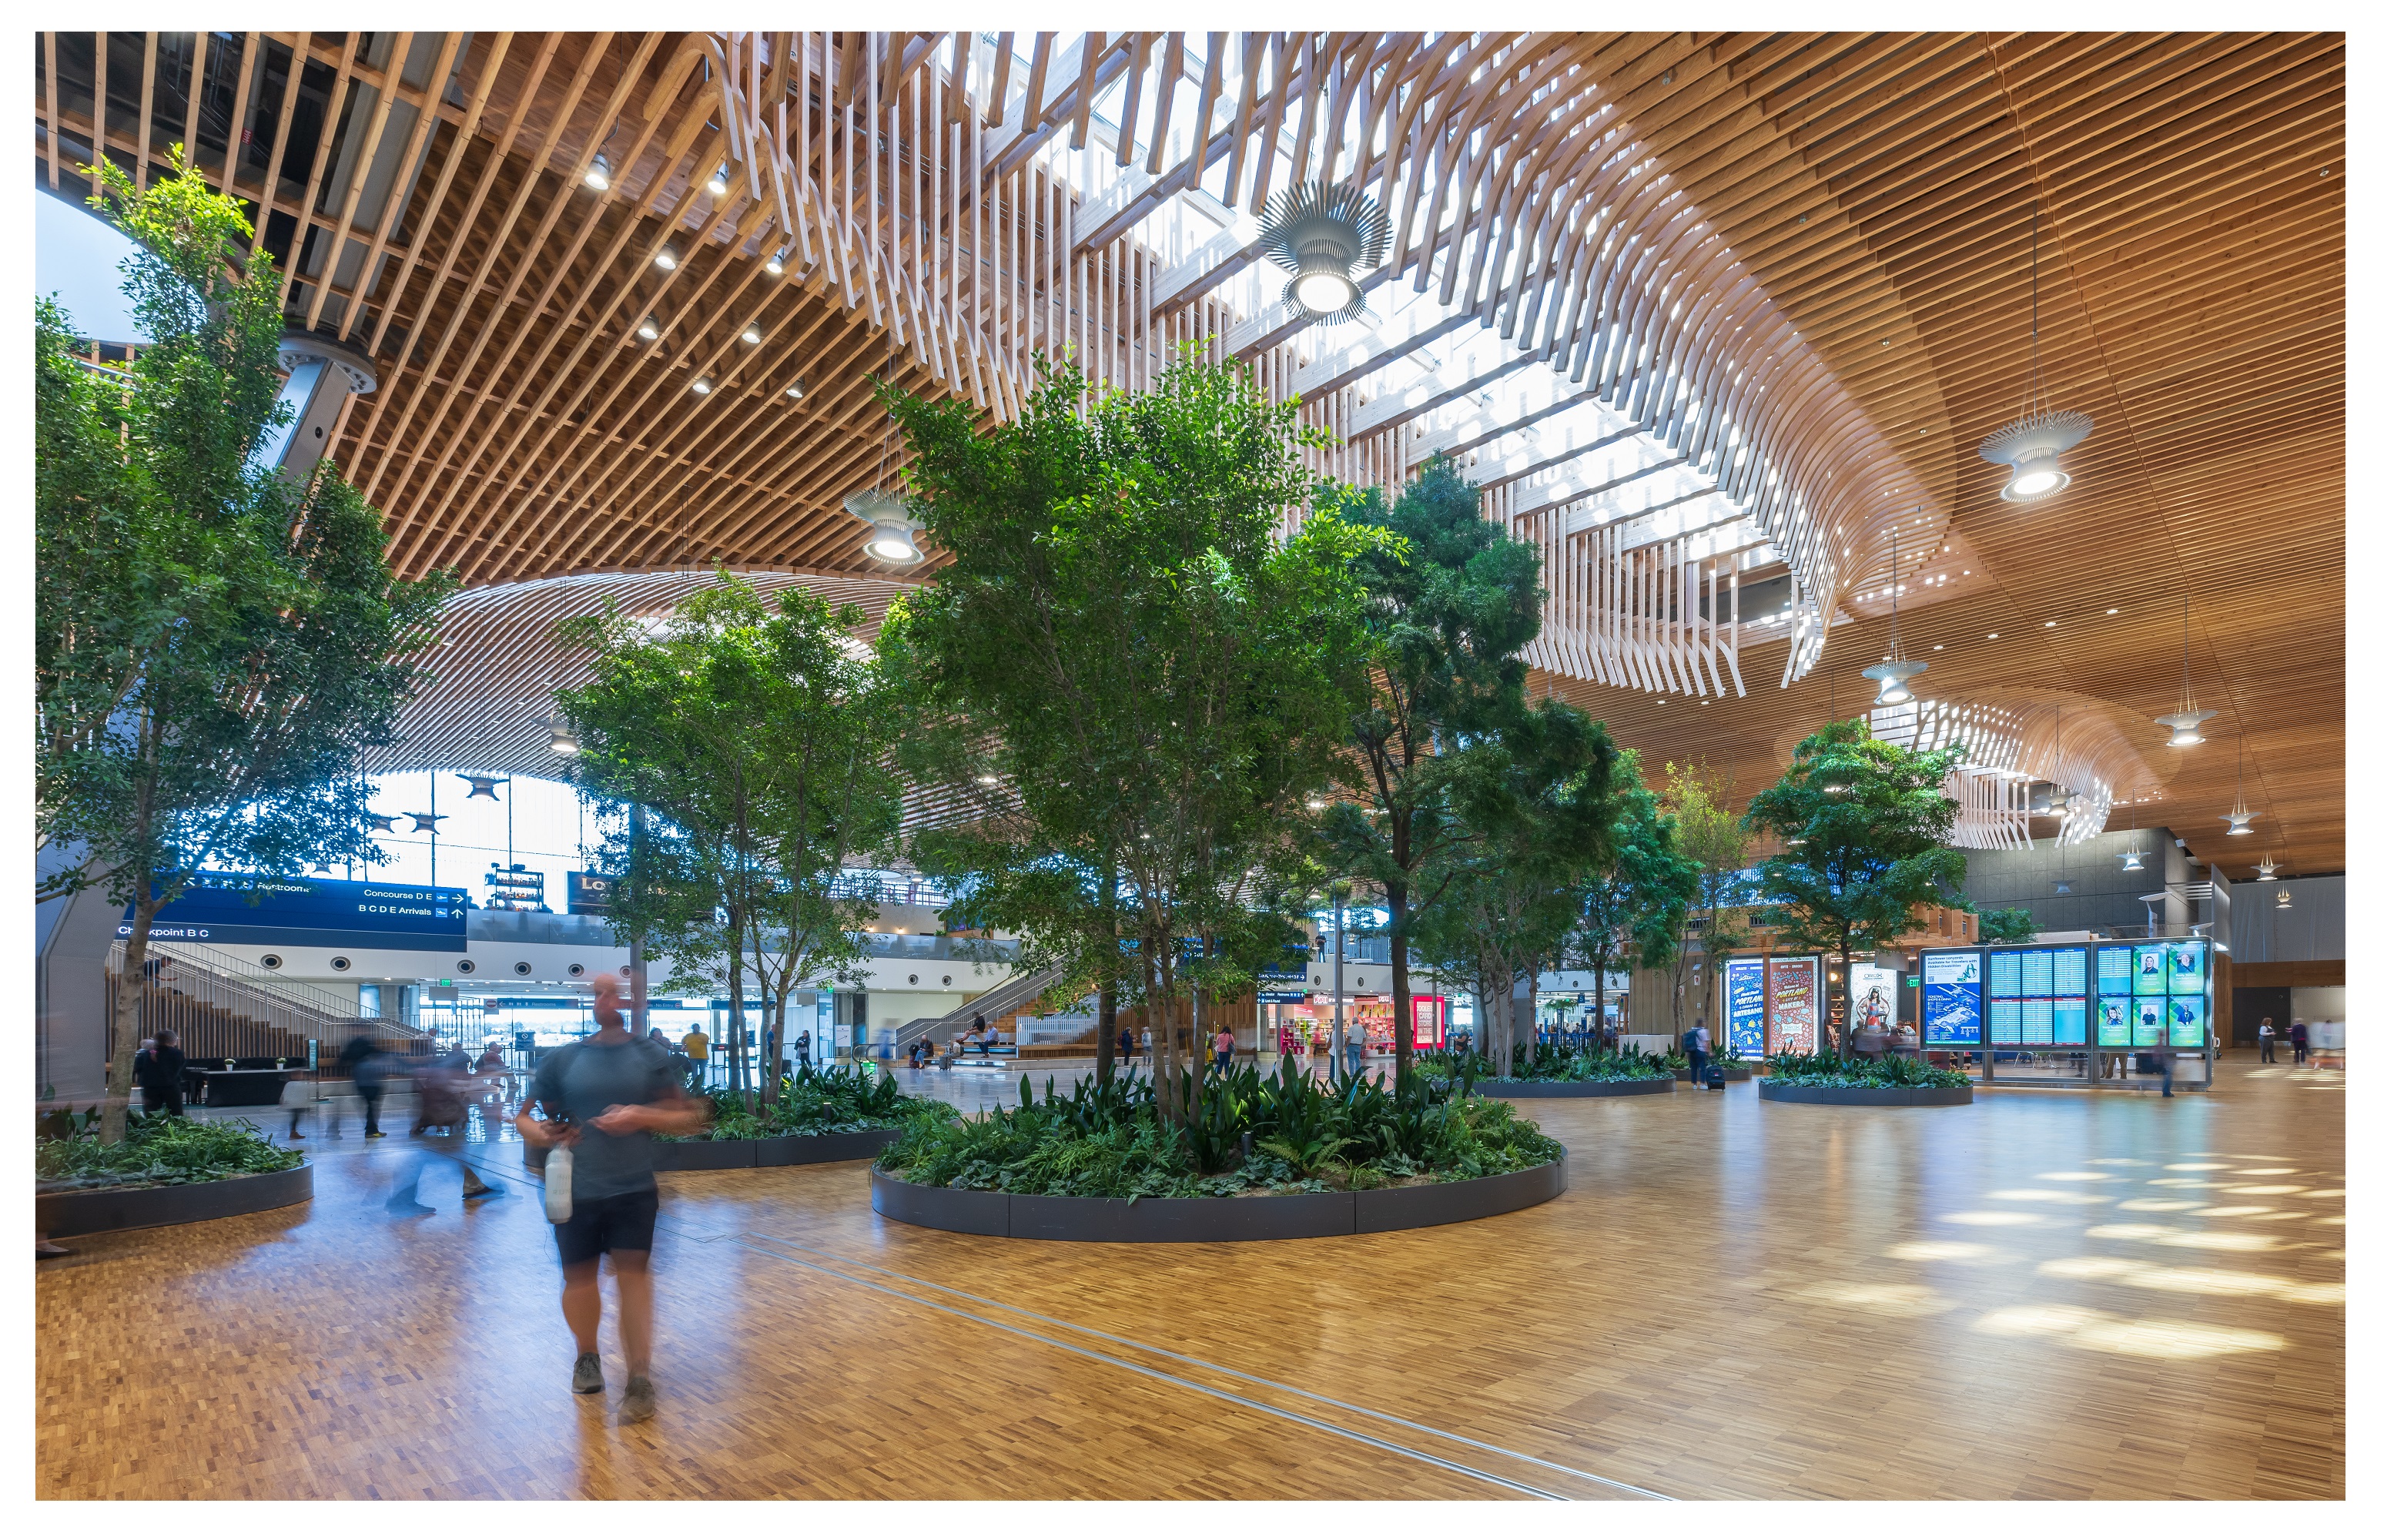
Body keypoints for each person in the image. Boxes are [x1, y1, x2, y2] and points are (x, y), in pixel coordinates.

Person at [516, 973, 708, 1425]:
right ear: (590, 1001)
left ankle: (640, 1378)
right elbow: (522, 1118)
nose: (607, 999)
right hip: (575, 1189)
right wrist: (544, 1134)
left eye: (615, 992)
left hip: (633, 1189)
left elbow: (689, 1116)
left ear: (632, 1001)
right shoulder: (562, 1060)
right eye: (598, 992)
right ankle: (587, 1357)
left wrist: (640, 1115)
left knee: (633, 1278)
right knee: (579, 1278)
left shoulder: (651, 1056)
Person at [335, 1033, 389, 1138]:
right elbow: (378, 1055)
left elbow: (343, 1059)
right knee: (372, 1107)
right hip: (371, 1083)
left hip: (360, 1082)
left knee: (370, 1107)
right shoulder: (365, 1048)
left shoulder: (354, 1047)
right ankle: (371, 1130)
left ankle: (371, 1129)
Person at [133, 1029, 186, 1116]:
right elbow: (180, 1067)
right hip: (171, 1087)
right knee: (176, 1113)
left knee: (151, 1113)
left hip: (150, 1088)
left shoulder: (145, 1054)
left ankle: (153, 1129)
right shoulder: (177, 1053)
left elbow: (137, 1068)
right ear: (172, 1040)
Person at [1686, 1017, 1711, 1088]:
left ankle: (1694, 1085)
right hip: (1700, 1051)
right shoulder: (1704, 1031)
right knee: (1702, 1068)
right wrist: (1709, 1052)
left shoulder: (1691, 1030)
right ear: (1702, 1023)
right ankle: (1702, 1084)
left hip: (1692, 1051)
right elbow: (1706, 1043)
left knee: (1694, 1068)